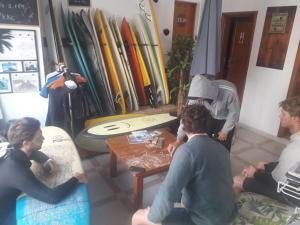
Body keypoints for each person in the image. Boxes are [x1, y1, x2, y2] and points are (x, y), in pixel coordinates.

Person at [132, 105, 236, 225]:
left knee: (138, 217)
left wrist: (150, 216)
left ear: (182, 125)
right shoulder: (222, 148)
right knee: (183, 196)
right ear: (207, 125)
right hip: (228, 214)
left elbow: (167, 193)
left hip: (203, 221)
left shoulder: (186, 151)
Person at [0, 117, 88, 225]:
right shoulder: (17, 171)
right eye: (39, 137)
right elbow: (52, 197)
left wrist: (46, 160)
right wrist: (76, 178)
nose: (43, 138)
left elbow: (32, 153)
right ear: (26, 143)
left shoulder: (12, 149)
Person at [233, 96, 300, 206]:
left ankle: (238, 212)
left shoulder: (293, 150)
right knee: (262, 164)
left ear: (296, 118)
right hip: (292, 183)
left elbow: (277, 185)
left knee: (237, 180)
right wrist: (265, 167)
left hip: (289, 197)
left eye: (283, 114)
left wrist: (255, 174)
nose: (280, 116)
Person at [169, 75, 240, 153]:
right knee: (205, 140)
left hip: (226, 118)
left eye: (199, 98)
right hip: (209, 114)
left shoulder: (229, 92)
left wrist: (225, 130)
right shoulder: (195, 96)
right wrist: (178, 140)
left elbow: (234, 113)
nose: (197, 101)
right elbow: (186, 118)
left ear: (207, 94)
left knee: (222, 143)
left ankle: (221, 160)